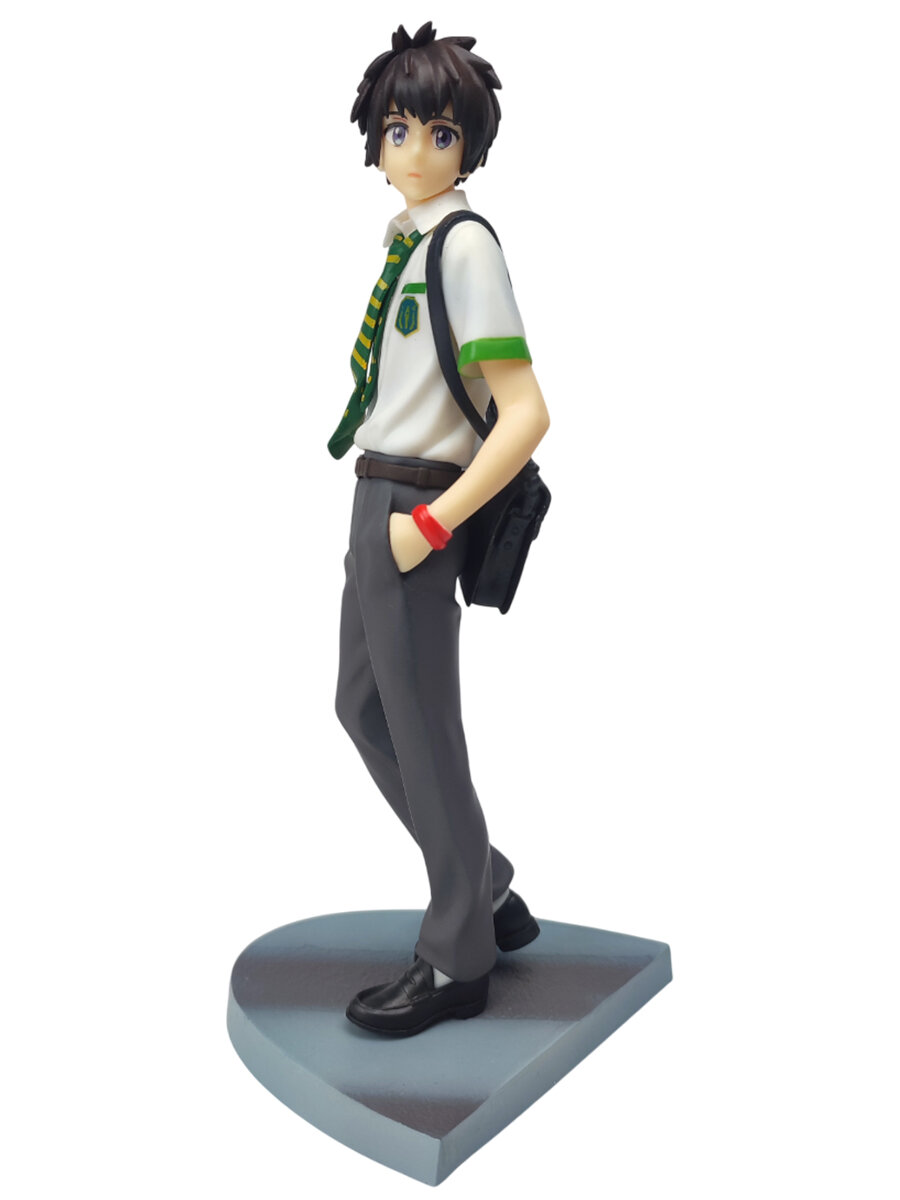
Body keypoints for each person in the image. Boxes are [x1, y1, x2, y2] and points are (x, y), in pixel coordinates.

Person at [329, 22, 550, 1037]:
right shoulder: (409, 243)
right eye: (399, 128)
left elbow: (527, 412)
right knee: (364, 708)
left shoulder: (463, 248)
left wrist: (431, 522)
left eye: (442, 132)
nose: (416, 150)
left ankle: (458, 955)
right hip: (378, 498)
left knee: (423, 735)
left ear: (470, 145)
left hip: (418, 504)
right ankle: (484, 884)